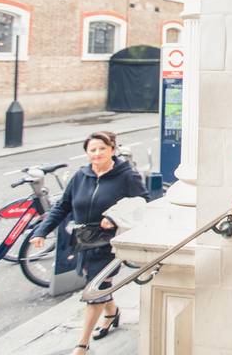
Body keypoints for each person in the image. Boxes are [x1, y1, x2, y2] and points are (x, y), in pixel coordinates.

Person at [30, 131, 149, 355]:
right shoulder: (80, 176)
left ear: (112, 149)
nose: (97, 154)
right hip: (84, 241)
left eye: (102, 149)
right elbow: (62, 206)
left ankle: (82, 344)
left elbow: (144, 203)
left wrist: (114, 217)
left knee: (94, 289)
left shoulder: (127, 176)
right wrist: (41, 231)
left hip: (109, 242)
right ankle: (112, 312)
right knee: (98, 284)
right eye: (92, 150)